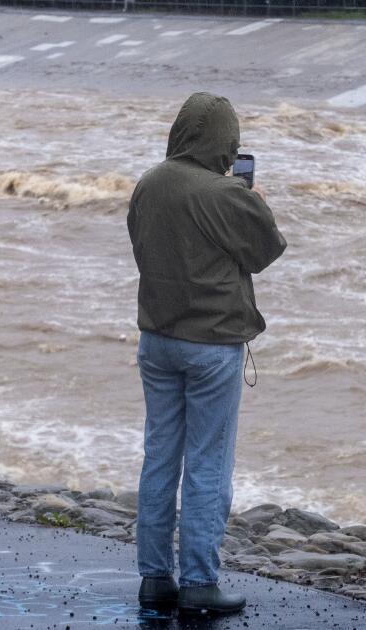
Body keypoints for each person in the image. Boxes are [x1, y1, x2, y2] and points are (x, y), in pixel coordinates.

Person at [126, 92, 286, 615]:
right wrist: (254, 198)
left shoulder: (149, 183)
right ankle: (198, 583)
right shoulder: (226, 194)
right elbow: (266, 252)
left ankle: (155, 578)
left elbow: (141, 245)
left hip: (156, 338)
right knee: (208, 465)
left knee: (160, 456)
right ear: (227, 142)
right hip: (212, 345)